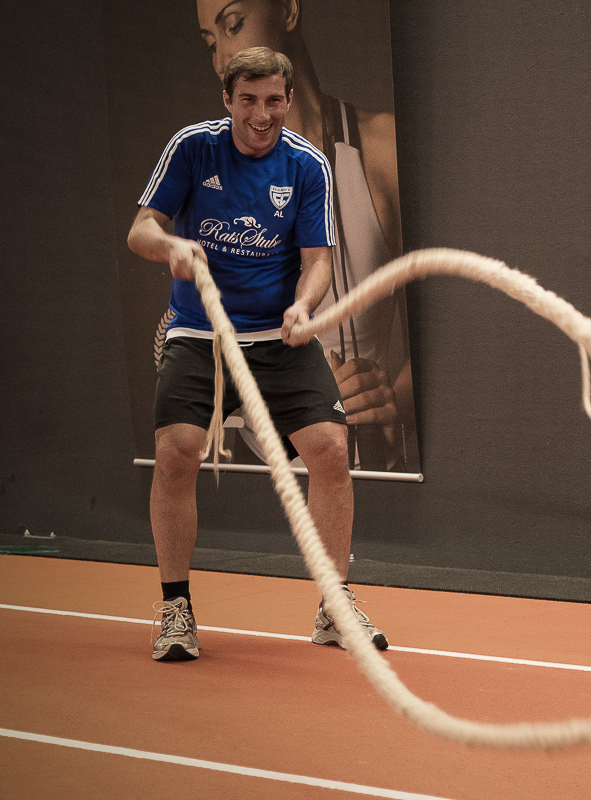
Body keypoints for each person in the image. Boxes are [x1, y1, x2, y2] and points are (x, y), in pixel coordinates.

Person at [128, 46, 388, 661]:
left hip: (279, 336)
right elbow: (140, 229)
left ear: (288, 100)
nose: (262, 113)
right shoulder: (192, 147)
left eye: (274, 100)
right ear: (228, 101)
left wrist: (302, 307)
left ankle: (334, 604)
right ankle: (175, 609)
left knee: (328, 449)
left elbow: (319, 263)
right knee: (176, 454)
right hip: (200, 333)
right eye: (249, 100)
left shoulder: (307, 166)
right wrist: (171, 248)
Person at [193, 0, 414, 472]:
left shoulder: (383, 151)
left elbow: (465, 335)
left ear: (289, 11)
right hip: (259, 492)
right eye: (211, 44)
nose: (222, 60)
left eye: (233, 26)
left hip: (373, 489)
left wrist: (396, 403)